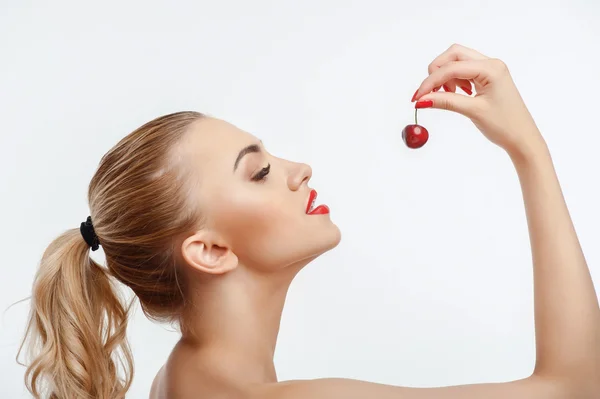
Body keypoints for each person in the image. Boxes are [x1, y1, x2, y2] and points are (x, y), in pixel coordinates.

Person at [17, 43, 599, 399]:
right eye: (259, 173)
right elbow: (577, 390)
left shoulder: (182, 377)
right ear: (211, 250)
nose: (299, 170)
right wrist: (529, 149)